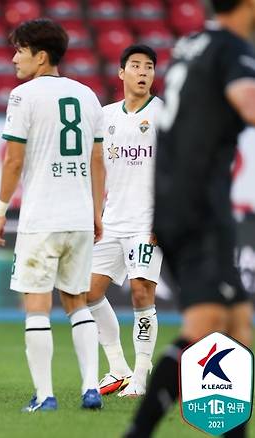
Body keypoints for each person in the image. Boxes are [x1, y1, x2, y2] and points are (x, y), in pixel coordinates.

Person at [125, 0, 255, 436]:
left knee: (238, 327)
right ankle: (138, 430)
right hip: (199, 203)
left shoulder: (193, 44)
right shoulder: (231, 48)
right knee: (206, 329)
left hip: (180, 200)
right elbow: (248, 102)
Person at [0, 19, 106, 412]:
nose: (13, 58)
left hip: (42, 218)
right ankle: (91, 388)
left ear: (40, 56)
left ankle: (45, 396)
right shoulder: (88, 95)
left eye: (20, 50)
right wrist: (97, 211)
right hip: (79, 217)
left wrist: (1, 210)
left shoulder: (24, 96)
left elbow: (13, 161)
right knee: (78, 303)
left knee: (37, 306)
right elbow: (96, 160)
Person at [86, 44, 163, 398]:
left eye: (149, 66)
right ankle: (118, 367)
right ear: (121, 73)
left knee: (140, 291)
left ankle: (142, 375)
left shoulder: (164, 114)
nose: (143, 72)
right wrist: (95, 212)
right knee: (87, 291)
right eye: (136, 65)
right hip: (112, 220)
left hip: (148, 221)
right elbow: (96, 165)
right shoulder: (105, 116)